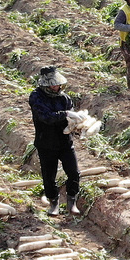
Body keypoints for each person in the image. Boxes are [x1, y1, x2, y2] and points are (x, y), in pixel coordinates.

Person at [29, 66, 82, 217]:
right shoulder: (36, 97)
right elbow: (45, 117)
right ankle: (54, 203)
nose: (55, 87)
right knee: (49, 175)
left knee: (74, 172)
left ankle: (72, 202)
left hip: (65, 141)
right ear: (45, 85)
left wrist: (77, 125)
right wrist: (65, 113)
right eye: (52, 84)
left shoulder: (64, 98)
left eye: (57, 84)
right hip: (45, 143)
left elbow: (70, 119)